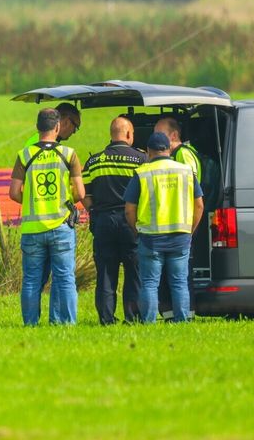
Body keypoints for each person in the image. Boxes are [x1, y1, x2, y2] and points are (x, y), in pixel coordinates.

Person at [9, 108, 85, 325]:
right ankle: (66, 323)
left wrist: (32, 201)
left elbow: (14, 192)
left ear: (37, 127)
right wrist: (64, 200)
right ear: (58, 126)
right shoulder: (69, 154)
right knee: (65, 278)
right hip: (61, 226)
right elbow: (80, 193)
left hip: (33, 229)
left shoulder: (24, 155)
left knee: (31, 280)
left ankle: (30, 324)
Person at [124, 132, 204, 323]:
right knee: (179, 282)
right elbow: (199, 205)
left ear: (149, 151)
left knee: (150, 283)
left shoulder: (142, 173)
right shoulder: (186, 171)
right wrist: (190, 230)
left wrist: (136, 230)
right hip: (180, 236)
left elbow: (129, 210)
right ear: (169, 149)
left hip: (151, 238)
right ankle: (182, 320)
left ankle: (149, 321)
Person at [82, 115, 147, 325]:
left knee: (105, 273)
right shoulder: (141, 159)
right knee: (134, 271)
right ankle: (132, 316)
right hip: (131, 222)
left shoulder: (94, 161)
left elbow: (84, 194)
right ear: (128, 134)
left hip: (103, 222)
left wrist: (95, 211)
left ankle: (106, 318)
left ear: (111, 134)